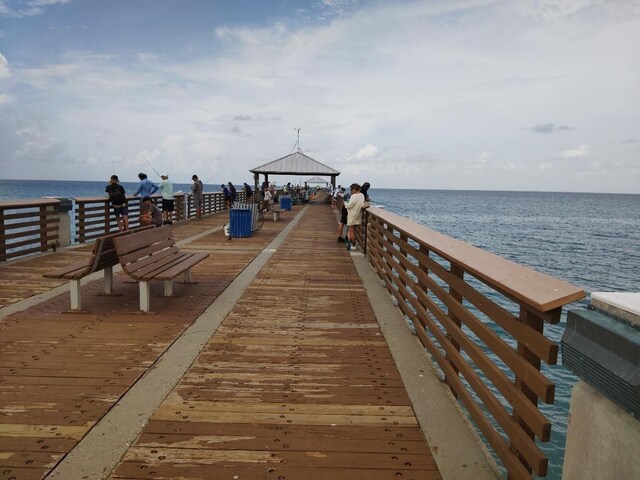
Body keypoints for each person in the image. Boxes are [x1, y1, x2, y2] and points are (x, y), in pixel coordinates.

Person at [344, 183, 369, 251]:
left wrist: (345, 202)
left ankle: (353, 245)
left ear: (355, 189)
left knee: (351, 230)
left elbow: (349, 206)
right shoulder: (362, 195)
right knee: (352, 230)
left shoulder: (354, 196)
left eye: (351, 189)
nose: (351, 191)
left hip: (352, 215)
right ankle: (349, 241)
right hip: (358, 215)